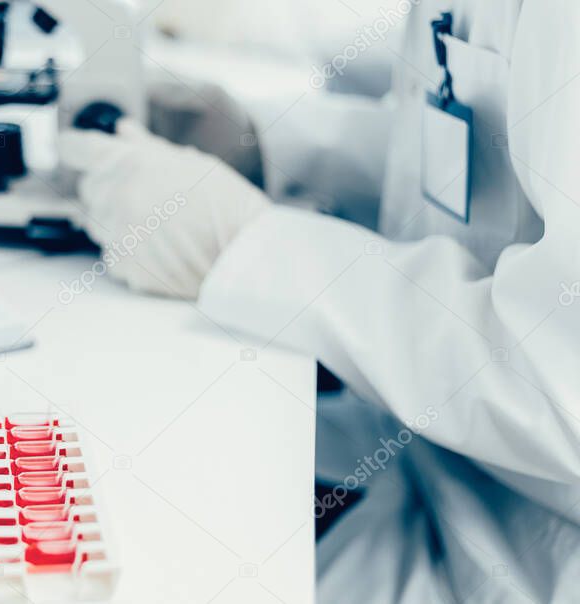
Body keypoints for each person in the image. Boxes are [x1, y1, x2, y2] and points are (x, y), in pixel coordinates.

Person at [60, 0, 580, 601]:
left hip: (521, 550)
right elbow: (483, 145)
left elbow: (560, 387)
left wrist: (253, 248)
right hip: (438, 461)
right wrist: (271, 145)